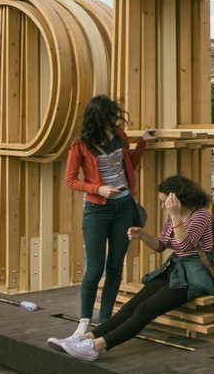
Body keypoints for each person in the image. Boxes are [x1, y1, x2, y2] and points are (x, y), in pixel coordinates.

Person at [51, 175, 214, 360]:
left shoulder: (200, 215)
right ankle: (85, 338)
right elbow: (161, 245)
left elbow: (184, 245)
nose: (163, 206)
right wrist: (143, 235)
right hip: (176, 269)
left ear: (177, 199)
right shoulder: (173, 216)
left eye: (164, 202)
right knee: (133, 305)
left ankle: (96, 347)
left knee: (146, 309)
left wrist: (175, 215)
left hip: (194, 276)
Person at [64, 95, 151, 334]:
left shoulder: (120, 136)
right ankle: (83, 322)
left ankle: (104, 321)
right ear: (97, 118)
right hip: (96, 211)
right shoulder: (80, 145)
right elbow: (70, 180)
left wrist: (142, 142)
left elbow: (128, 167)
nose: (113, 120)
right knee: (95, 268)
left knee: (115, 266)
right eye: (109, 116)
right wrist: (97, 189)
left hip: (123, 208)